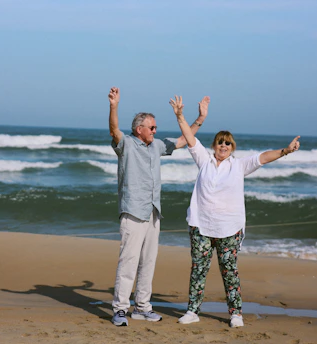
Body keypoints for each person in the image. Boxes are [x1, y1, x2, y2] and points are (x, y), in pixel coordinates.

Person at [169, 95, 300, 328]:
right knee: (199, 269)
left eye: (227, 143)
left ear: (232, 148)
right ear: (214, 145)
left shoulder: (239, 166)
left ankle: (235, 313)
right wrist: (180, 115)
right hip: (201, 224)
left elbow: (262, 158)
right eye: (220, 142)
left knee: (229, 270)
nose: (223, 146)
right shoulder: (204, 160)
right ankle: (192, 310)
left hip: (229, 227)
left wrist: (286, 150)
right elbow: (189, 138)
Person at [108, 87, 210, 326]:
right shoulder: (126, 145)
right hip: (133, 211)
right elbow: (114, 130)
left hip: (153, 211)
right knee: (128, 261)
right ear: (138, 129)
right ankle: (120, 309)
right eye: (151, 127)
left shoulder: (157, 146)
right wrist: (114, 106)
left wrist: (200, 119)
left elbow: (185, 140)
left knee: (148, 262)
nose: (155, 131)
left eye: (155, 128)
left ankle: (142, 307)